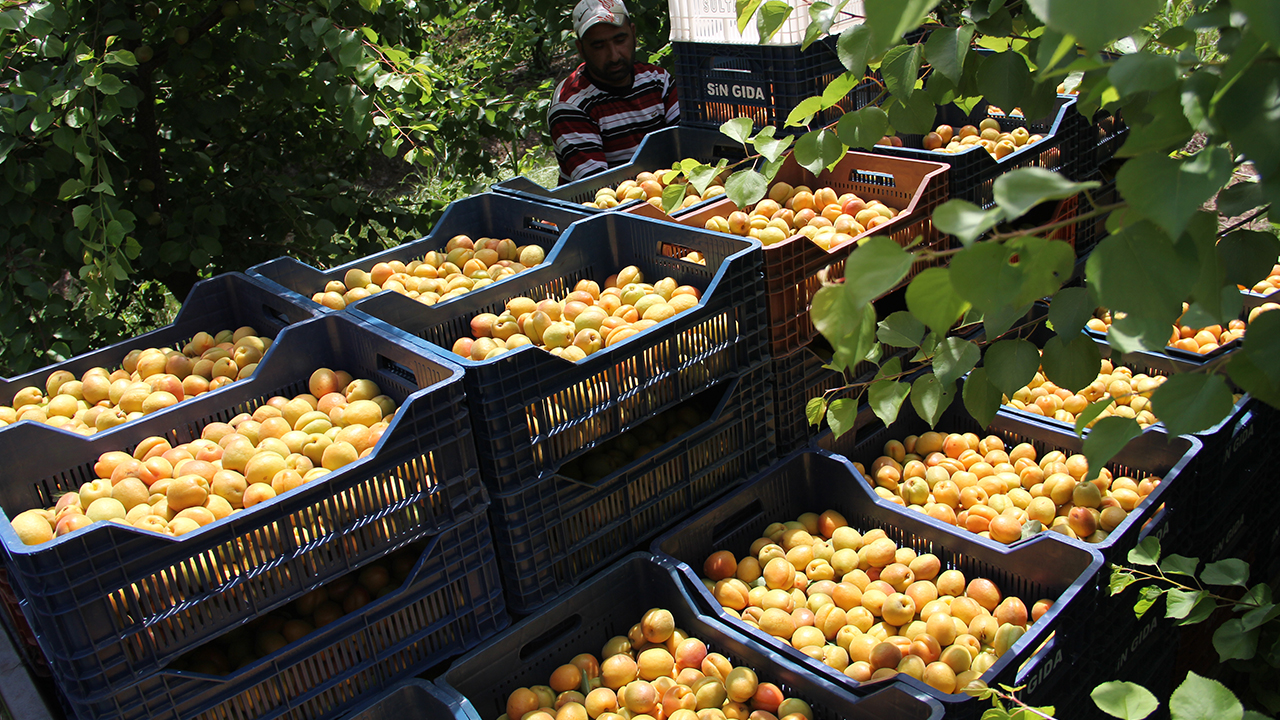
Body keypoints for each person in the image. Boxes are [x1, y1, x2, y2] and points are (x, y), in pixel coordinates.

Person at [549, 0, 680, 185]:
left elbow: (689, 143)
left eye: (620, 40)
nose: (614, 55)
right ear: (581, 49)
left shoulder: (658, 80)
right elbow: (597, 188)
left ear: (633, 34)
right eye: (599, 46)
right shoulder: (571, 105)